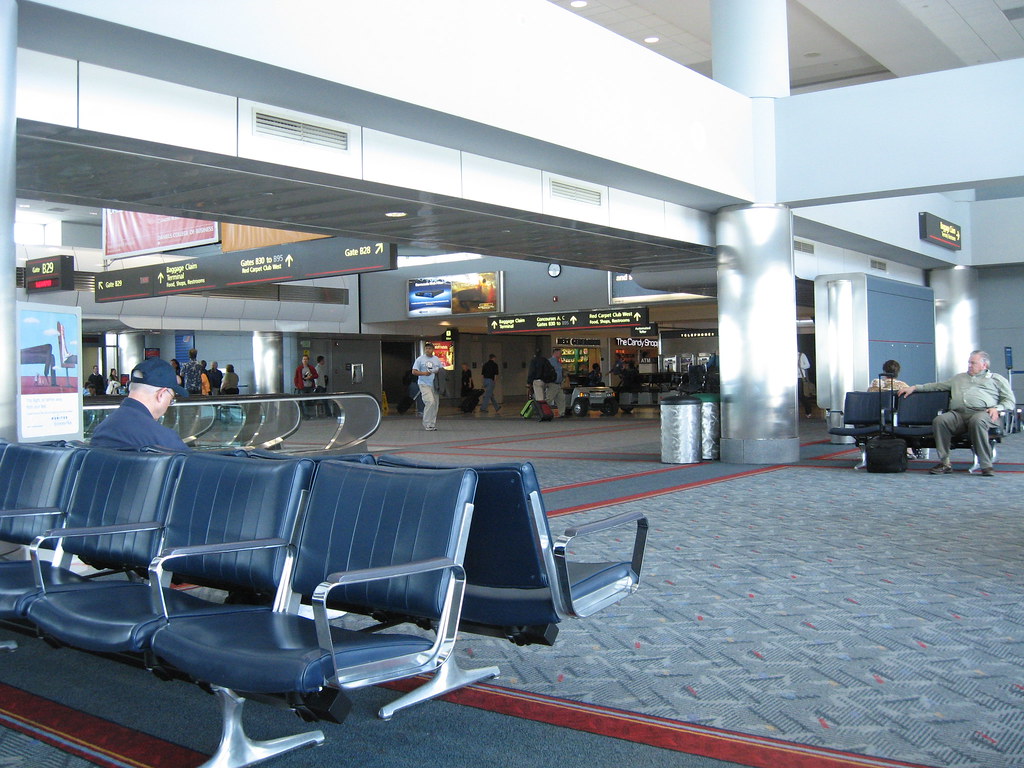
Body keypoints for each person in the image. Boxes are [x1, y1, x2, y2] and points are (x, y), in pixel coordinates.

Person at [898, 350, 1014, 477]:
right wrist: (915, 388)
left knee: (977, 420)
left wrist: (997, 408)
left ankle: (986, 465)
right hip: (959, 414)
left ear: (984, 365)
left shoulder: (996, 379)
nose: (969, 365)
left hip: (984, 413)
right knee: (940, 420)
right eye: (969, 362)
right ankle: (945, 463)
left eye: (973, 363)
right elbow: (937, 386)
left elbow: (1010, 401)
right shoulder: (959, 378)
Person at [90, 358, 190, 451]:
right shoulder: (165, 440)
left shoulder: (100, 431)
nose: (169, 404)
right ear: (161, 394)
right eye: (171, 399)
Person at [412, 342, 446, 431]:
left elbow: (441, 370)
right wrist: (424, 373)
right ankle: (427, 423)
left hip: (435, 385)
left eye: (429, 348)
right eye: (426, 348)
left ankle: (432, 424)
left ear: (433, 350)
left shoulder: (436, 359)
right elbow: (414, 371)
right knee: (430, 402)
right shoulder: (420, 359)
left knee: (435, 404)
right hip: (424, 384)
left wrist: (437, 371)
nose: (428, 350)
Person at [547, 350, 567, 417]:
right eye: (559, 353)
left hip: (559, 383)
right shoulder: (550, 362)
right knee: (549, 398)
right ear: (555, 353)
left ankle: (562, 413)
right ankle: (543, 410)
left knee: (561, 398)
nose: (561, 354)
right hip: (553, 383)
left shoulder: (558, 362)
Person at [797, 352, 813, 417]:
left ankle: (808, 411)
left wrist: (800, 365)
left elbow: (808, 365)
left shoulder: (801, 355)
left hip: (800, 377)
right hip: (792, 378)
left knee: (801, 395)